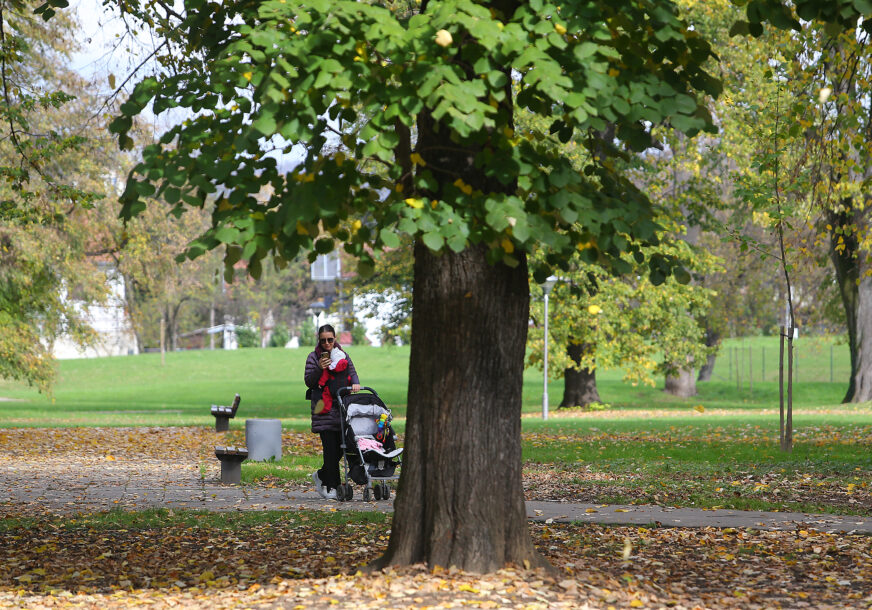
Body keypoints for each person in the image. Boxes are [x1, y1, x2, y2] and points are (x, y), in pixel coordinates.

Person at [304, 324, 360, 500]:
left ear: (335, 339)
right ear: (319, 340)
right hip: (323, 409)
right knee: (330, 448)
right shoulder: (313, 357)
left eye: (330, 339)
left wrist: (356, 383)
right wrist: (320, 368)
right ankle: (332, 487)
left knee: (340, 449)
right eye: (323, 340)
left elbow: (352, 371)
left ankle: (321, 475)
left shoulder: (343, 355)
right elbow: (309, 382)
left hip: (342, 408)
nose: (327, 343)